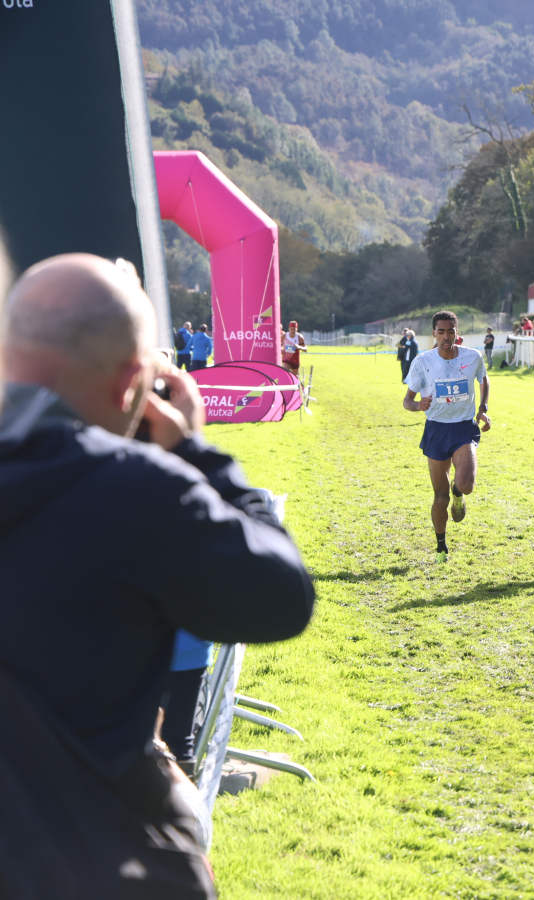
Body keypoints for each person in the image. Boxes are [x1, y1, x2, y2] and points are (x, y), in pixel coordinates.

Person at [0, 254, 313, 897]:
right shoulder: (134, 491)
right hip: (96, 861)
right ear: (131, 386)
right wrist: (196, 453)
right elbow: (282, 597)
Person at [402, 311, 491, 561]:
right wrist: (418, 405)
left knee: (466, 485)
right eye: (440, 332)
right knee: (439, 497)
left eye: (450, 331)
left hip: (463, 427)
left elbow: (484, 380)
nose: (445, 336)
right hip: (436, 430)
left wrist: (483, 408)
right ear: (434, 334)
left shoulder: (472, 357)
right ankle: (441, 545)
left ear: (456, 332)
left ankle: (458, 493)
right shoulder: (423, 361)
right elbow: (406, 401)